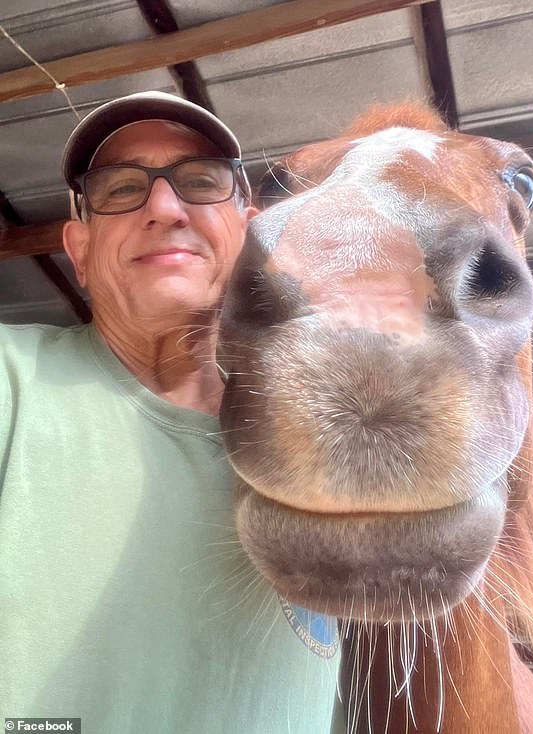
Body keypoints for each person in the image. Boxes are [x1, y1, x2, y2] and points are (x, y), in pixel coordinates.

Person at [0, 91, 341, 733]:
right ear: (78, 250)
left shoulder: (319, 442)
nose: (163, 207)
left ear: (248, 234)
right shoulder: (10, 380)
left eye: (200, 181)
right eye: (120, 188)